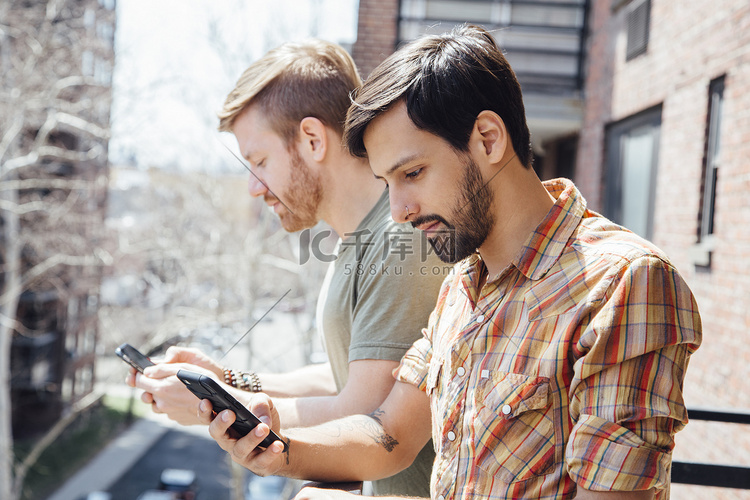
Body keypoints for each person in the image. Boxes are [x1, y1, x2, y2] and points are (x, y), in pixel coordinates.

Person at [197, 25, 703, 500]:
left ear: (488, 139)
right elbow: (388, 432)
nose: (398, 211)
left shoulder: (622, 283)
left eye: (412, 172)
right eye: (387, 182)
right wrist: (280, 451)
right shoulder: (461, 282)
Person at [127, 39, 447, 497]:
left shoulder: (400, 242)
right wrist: (228, 381)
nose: (255, 187)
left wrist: (216, 403)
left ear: (313, 140)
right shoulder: (356, 242)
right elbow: (346, 373)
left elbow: (366, 410)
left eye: (259, 161)